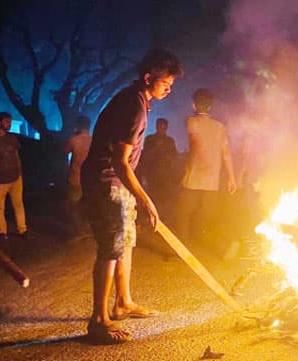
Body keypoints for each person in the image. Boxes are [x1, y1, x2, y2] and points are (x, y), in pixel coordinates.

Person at [80, 49, 183, 344]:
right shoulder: (134, 106)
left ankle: (122, 302)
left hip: (119, 183)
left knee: (125, 241)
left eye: (172, 84)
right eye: (166, 82)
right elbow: (120, 162)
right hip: (106, 182)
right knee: (111, 247)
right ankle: (99, 320)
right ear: (149, 77)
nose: (169, 88)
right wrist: (146, 199)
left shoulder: (138, 101)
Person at [173, 88, 236, 255]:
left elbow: (195, 145)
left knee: (183, 212)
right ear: (210, 106)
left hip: (194, 176)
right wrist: (232, 178)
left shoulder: (191, 122)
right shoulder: (220, 127)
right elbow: (226, 153)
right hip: (212, 179)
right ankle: (213, 246)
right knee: (206, 213)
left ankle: (184, 248)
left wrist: (187, 166)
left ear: (194, 105)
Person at [0, 112, 27, 241]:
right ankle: (2, 231)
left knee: (18, 204)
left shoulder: (12, 138)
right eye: (7, 121)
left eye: (10, 121)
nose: (9, 124)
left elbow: (16, 156)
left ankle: (22, 229)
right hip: (1, 179)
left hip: (15, 177)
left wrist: (20, 172)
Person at [138, 117, 178, 219]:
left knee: (164, 198)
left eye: (164, 127)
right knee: (152, 197)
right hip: (153, 174)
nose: (162, 129)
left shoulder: (169, 141)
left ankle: (162, 219)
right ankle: (150, 218)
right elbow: (146, 155)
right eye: (160, 127)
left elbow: (174, 156)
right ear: (157, 127)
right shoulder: (150, 139)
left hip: (165, 175)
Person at [63, 115, 92, 240]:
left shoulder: (74, 140)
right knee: (87, 205)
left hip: (75, 177)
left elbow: (64, 151)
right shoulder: (94, 140)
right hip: (90, 179)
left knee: (73, 206)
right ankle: (88, 228)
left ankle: (80, 231)